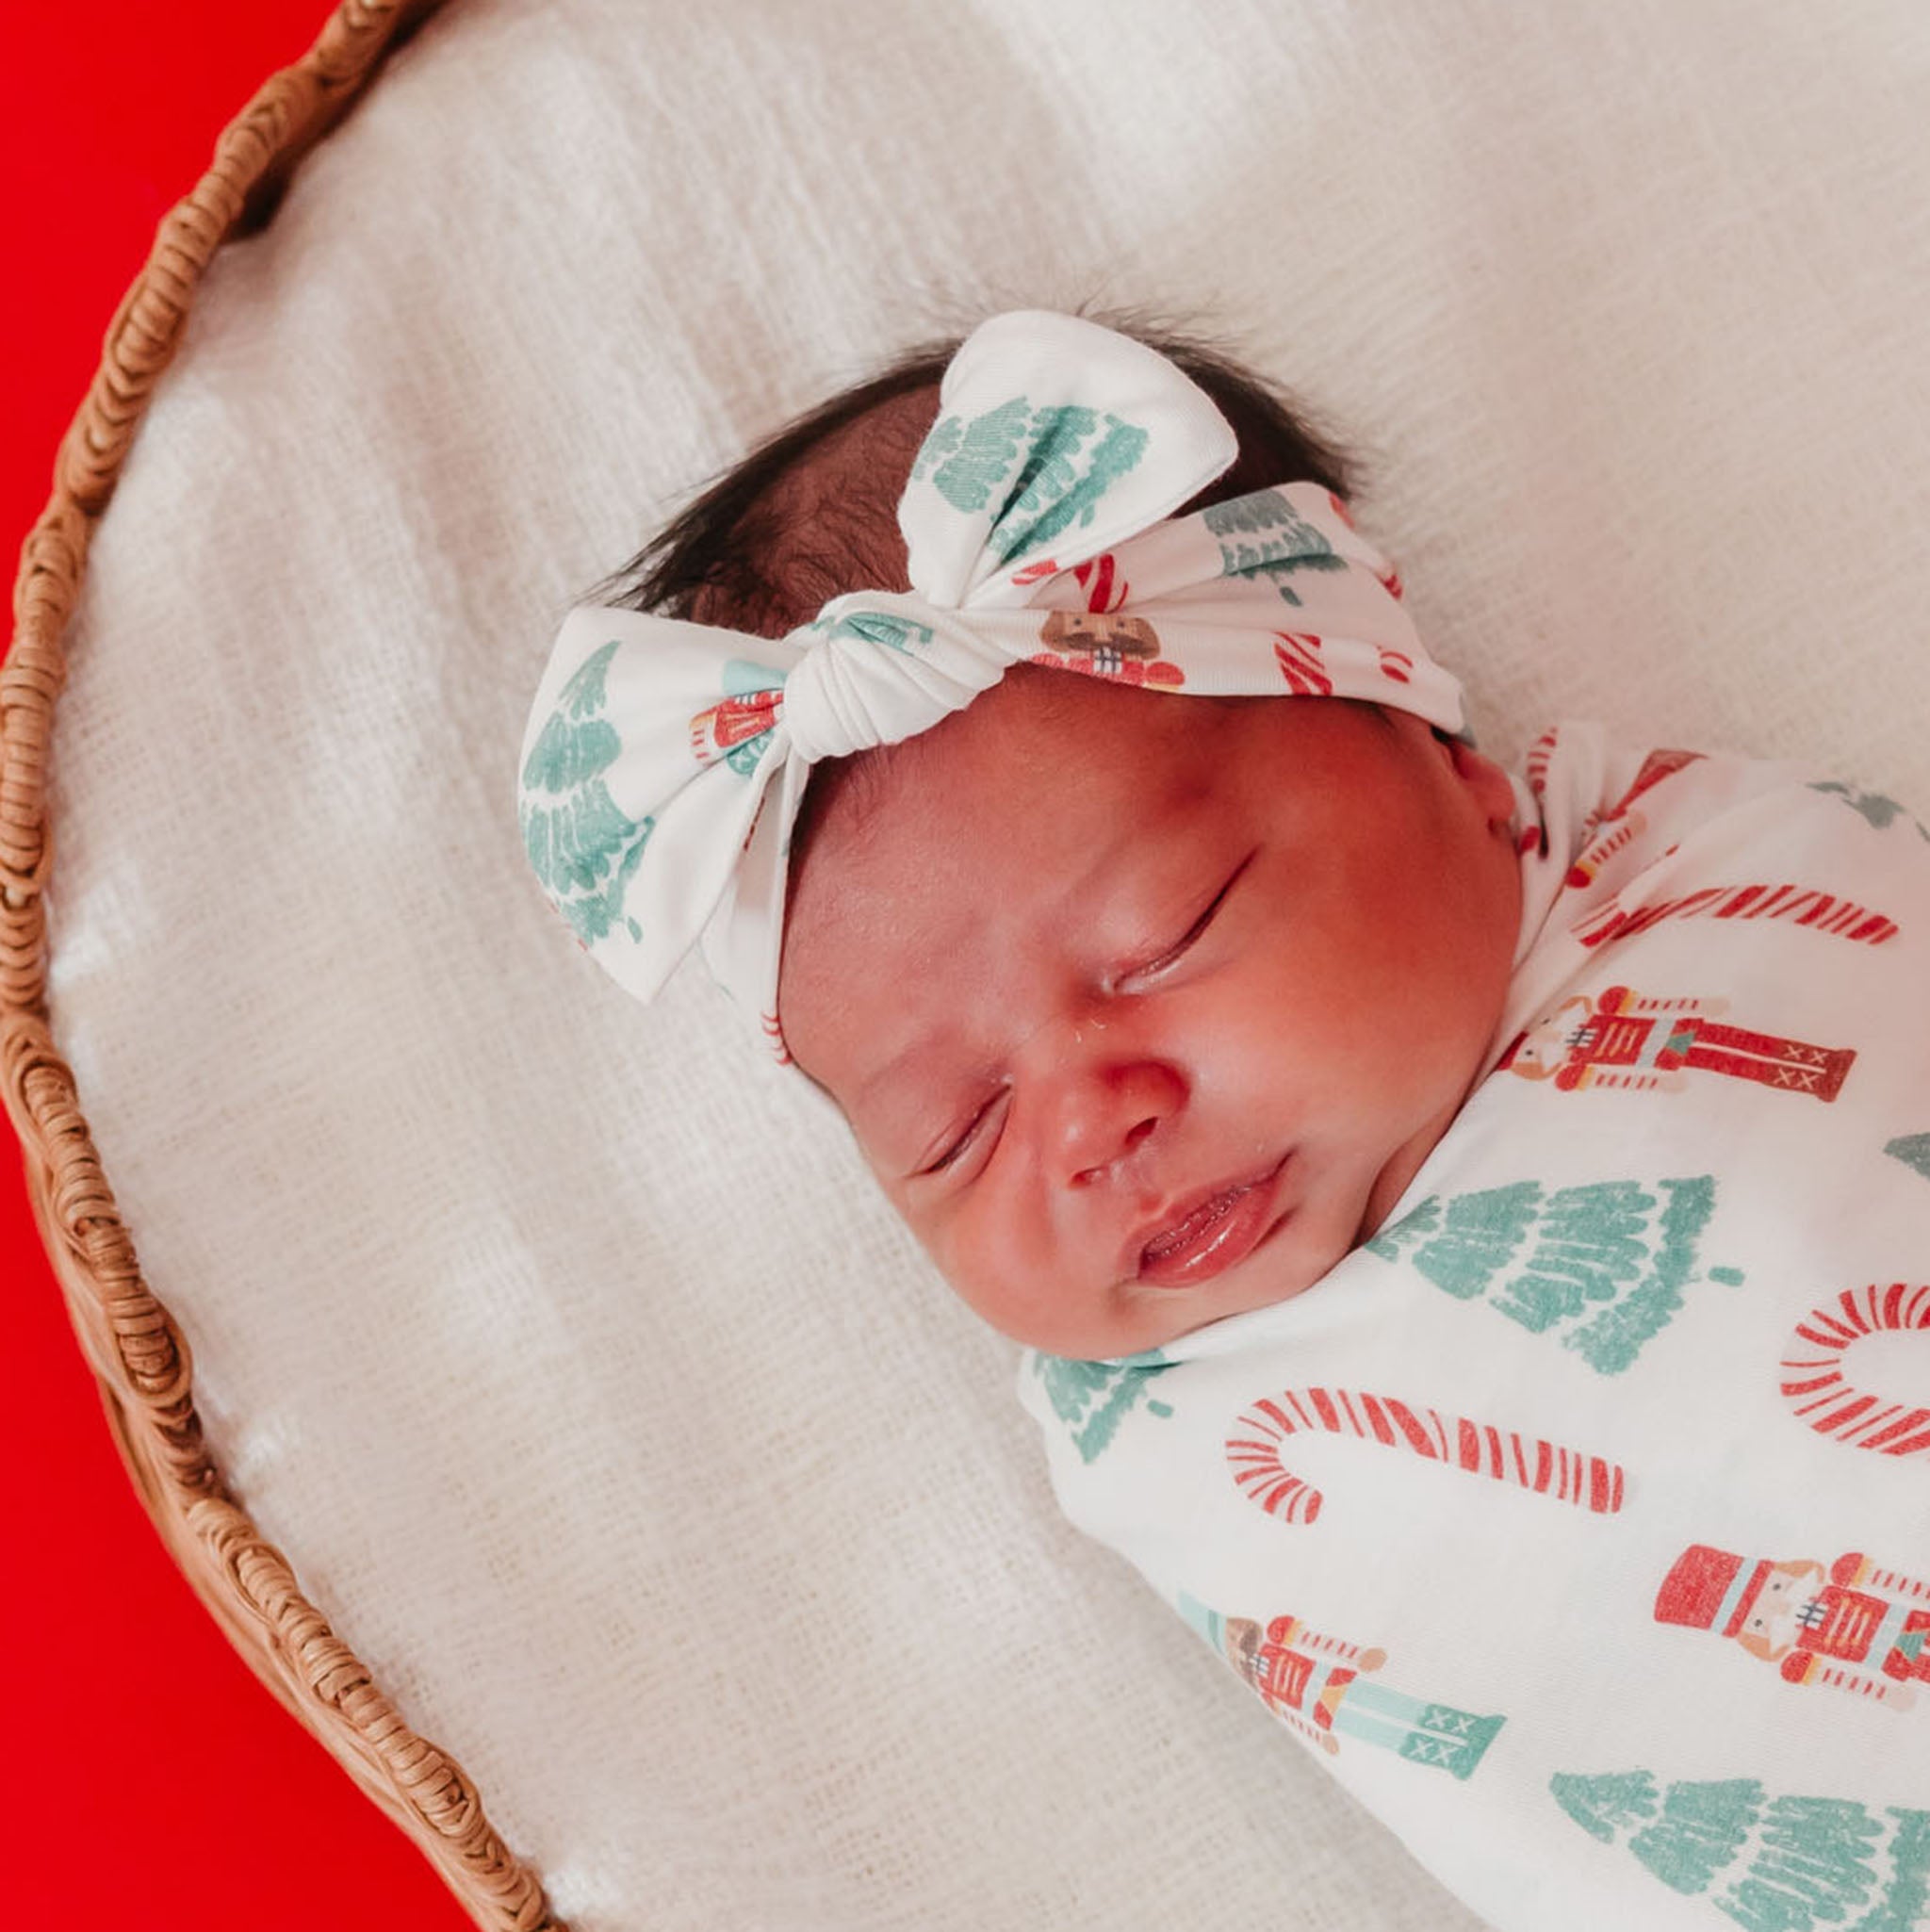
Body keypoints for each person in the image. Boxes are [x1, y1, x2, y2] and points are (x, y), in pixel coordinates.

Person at [516, 311, 1930, 1932]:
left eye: (1166, 935)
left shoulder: (1734, 901)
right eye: (955, 1126)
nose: (1089, 1126)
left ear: (1442, 757)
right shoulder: (1158, 1433)